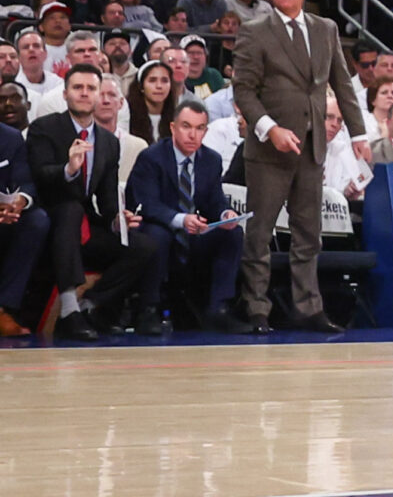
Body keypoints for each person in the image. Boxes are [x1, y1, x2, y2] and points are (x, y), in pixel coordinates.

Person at [229, 0, 366, 334]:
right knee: (260, 231)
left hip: (312, 146)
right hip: (269, 149)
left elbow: (343, 82)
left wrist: (358, 135)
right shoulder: (255, 31)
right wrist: (268, 128)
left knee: (309, 233)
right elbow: (243, 90)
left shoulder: (326, 29)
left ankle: (309, 307)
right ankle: (257, 308)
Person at [28, 64, 136, 340]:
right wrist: (69, 169)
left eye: (91, 88)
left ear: (100, 95)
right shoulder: (45, 128)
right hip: (49, 219)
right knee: (70, 209)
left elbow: (108, 196)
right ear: (65, 94)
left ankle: (88, 305)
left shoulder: (109, 142)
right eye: (78, 88)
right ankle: (68, 309)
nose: (84, 93)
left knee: (146, 245)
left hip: (85, 224)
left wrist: (118, 217)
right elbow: (39, 175)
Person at [125, 98, 246, 332]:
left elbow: (214, 200)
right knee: (157, 235)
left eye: (200, 128)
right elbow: (146, 203)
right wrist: (182, 219)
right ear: (173, 128)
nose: (193, 135)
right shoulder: (152, 157)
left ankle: (218, 308)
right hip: (157, 230)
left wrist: (225, 213)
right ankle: (148, 308)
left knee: (231, 234)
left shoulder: (211, 160)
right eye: (186, 126)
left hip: (191, 234)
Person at [0, 98, 44, 338]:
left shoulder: (11, 137)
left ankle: (3, 308)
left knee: (37, 221)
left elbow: (25, 180)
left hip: (5, 215)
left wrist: (19, 202)